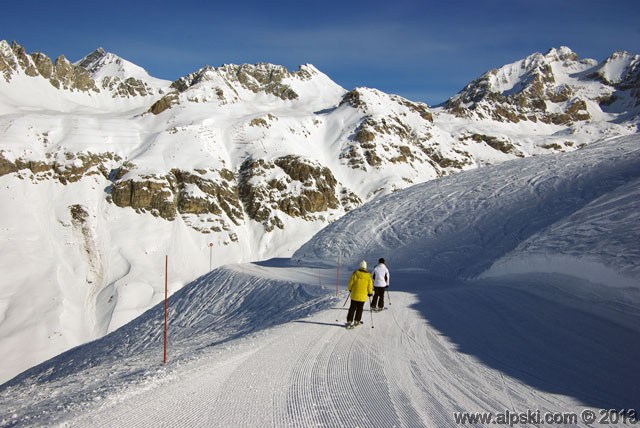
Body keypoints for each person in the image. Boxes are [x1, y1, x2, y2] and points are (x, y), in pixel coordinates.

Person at [346, 260, 373, 328]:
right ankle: (357, 321)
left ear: (360, 266)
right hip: (363, 296)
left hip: (354, 294)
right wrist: (370, 293)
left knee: (352, 308)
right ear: (365, 267)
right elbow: (370, 286)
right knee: (360, 308)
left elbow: (350, 283)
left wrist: (350, 289)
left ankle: (349, 321)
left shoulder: (355, 274)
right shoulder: (368, 276)